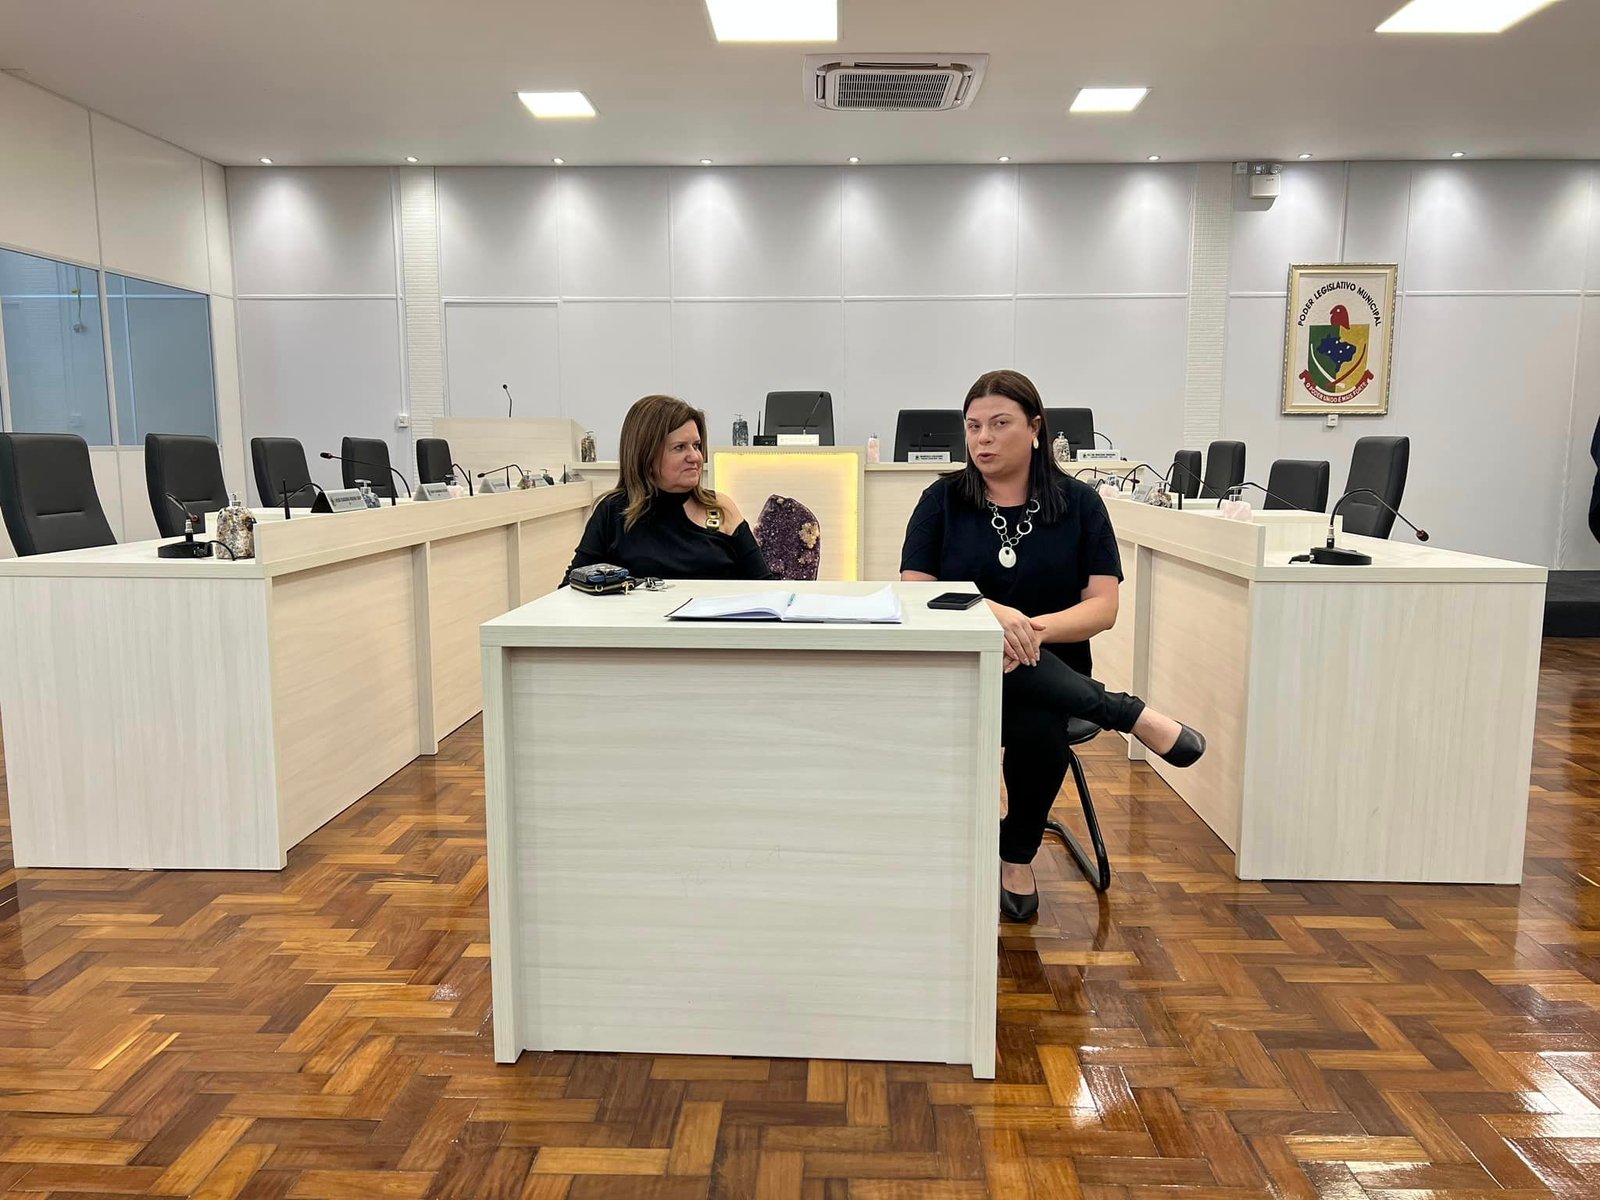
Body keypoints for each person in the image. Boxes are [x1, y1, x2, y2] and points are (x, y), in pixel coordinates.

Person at [901, 369, 1206, 922]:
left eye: (999, 424)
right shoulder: (942, 499)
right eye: (973, 426)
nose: (983, 439)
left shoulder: (1080, 503)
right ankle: (1124, 713)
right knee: (1028, 688)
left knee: (1039, 717)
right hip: (961, 671)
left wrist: (1030, 631)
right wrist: (991, 615)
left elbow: (1103, 608)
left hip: (1054, 669)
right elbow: (916, 589)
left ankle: (1015, 855)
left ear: (1035, 428)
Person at [567, 394, 772, 581]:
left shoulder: (721, 506)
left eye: (696, 446)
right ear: (646, 455)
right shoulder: (613, 512)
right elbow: (571, 590)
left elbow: (765, 586)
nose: (695, 457)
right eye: (679, 447)